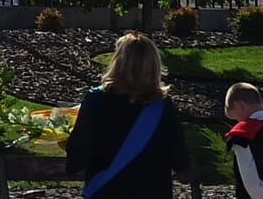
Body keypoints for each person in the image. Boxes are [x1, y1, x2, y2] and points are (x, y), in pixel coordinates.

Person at [64, 31, 190, 199]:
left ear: (118, 62)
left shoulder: (96, 100)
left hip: (107, 192)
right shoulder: (163, 106)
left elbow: (78, 156)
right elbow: (180, 161)